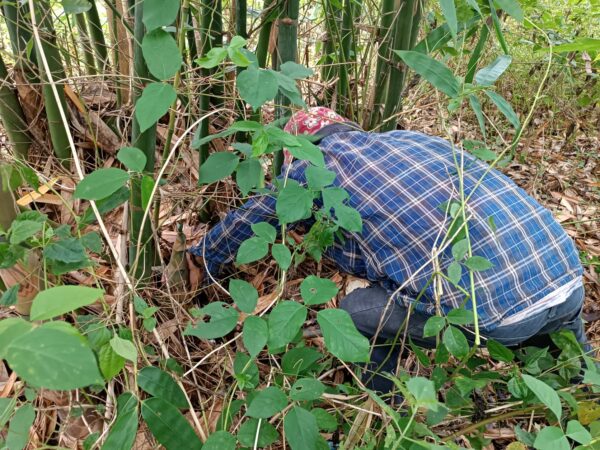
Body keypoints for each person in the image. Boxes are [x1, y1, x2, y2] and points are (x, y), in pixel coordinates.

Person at [189, 107, 591, 394]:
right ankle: (583, 384)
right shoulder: (409, 140)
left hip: (495, 315)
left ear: (297, 150)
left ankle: (386, 403)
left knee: (356, 312)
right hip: (566, 277)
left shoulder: (309, 170)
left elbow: (246, 221)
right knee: (574, 367)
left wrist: (202, 257)